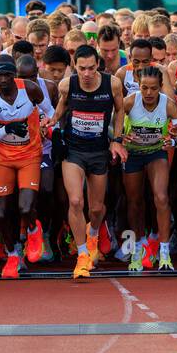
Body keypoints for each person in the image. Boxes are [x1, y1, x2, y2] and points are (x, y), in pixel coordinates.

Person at [52, 44, 127, 281]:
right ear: (75, 67)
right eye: (82, 68)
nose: (86, 74)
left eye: (91, 68)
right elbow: (60, 110)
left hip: (99, 151)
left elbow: (120, 111)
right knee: (75, 201)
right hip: (73, 151)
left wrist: (116, 140)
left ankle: (93, 233)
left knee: (96, 209)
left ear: (98, 65)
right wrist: (51, 123)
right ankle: (82, 255)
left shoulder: (112, 84)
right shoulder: (67, 85)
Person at [0, 54, 47, 280]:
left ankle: (32, 229)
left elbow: (50, 112)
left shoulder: (30, 89)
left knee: (26, 208)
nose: (2, 79)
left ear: (14, 75)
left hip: (29, 155)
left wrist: (47, 127)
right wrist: (10, 129)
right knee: (0, 213)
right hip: (3, 159)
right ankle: (12, 254)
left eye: (7, 75)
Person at [122, 66, 177, 272]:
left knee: (161, 198)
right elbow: (113, 124)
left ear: (160, 88)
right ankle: (137, 250)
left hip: (156, 153)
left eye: (153, 89)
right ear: (138, 86)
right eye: (144, 88)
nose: (148, 93)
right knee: (135, 202)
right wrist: (120, 137)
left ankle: (164, 254)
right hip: (133, 155)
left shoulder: (169, 105)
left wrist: (172, 142)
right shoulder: (130, 102)